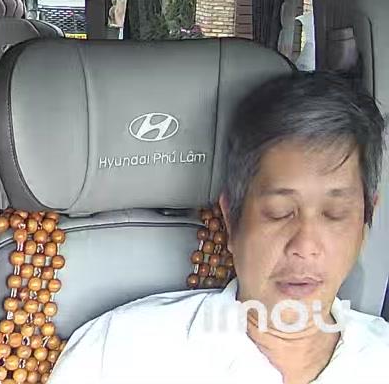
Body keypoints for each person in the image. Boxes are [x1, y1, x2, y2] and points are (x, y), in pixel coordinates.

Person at [48, 71, 389, 383]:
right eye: (280, 212)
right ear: (231, 218)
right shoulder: (121, 354)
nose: (305, 245)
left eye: (334, 214)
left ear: (365, 225)